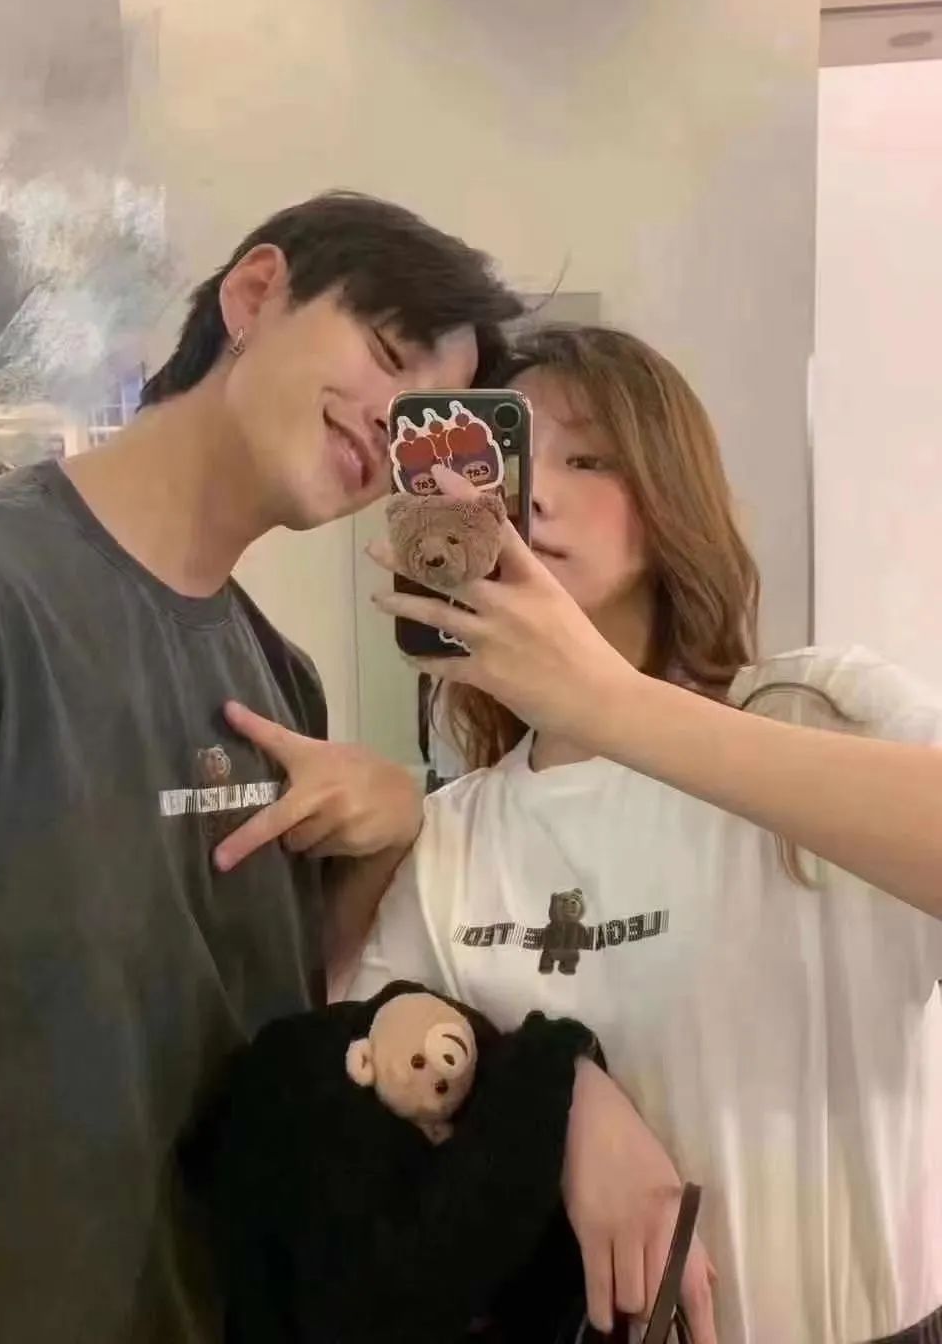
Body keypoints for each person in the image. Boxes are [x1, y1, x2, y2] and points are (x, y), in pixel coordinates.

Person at [0, 191, 522, 1343]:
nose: (394, 427)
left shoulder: (282, 684)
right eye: (386, 357)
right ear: (255, 294)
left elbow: (261, 1044)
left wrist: (392, 831)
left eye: (430, 415)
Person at [356, 324, 942, 1344]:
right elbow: (388, 1086)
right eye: (511, 459)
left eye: (589, 459)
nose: (535, 498)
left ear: (672, 496)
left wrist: (613, 705)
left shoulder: (822, 710)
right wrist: (560, 1097)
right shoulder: (450, 838)